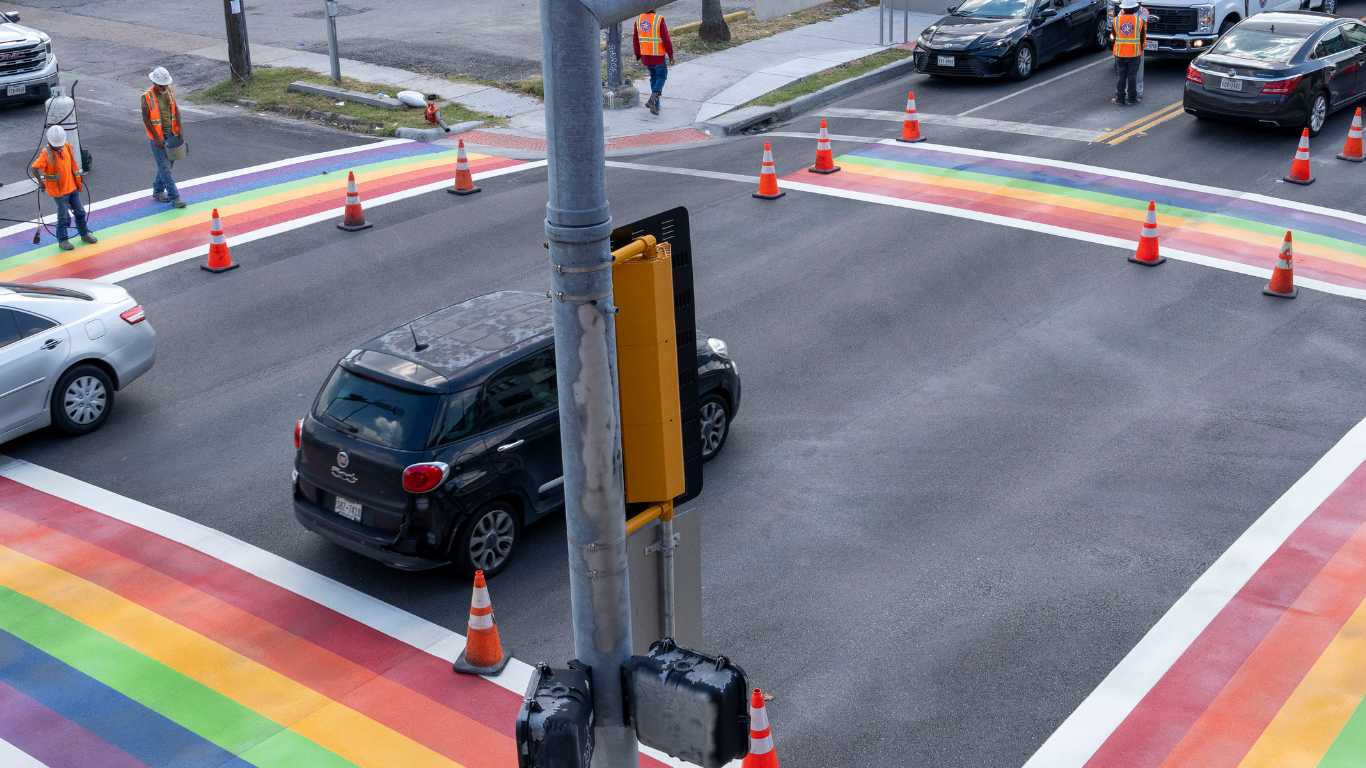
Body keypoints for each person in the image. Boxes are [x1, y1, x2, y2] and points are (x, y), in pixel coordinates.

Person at [30, 125, 97, 251]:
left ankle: (84, 234)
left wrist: (78, 178)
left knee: (80, 212)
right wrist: (40, 182)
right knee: (63, 217)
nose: (60, 147)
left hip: (72, 188)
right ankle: (63, 240)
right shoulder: (46, 154)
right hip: (59, 193)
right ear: (50, 142)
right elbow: (34, 168)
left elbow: (72, 164)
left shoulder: (66, 146)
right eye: (57, 145)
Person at [141, 66, 187, 208]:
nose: (164, 88)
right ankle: (175, 197)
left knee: (168, 165)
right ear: (155, 83)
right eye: (161, 86)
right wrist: (156, 138)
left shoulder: (169, 92)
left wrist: (179, 129)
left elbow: (176, 110)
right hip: (158, 138)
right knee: (165, 168)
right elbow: (146, 119)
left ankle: (158, 191)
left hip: (172, 134)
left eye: (165, 85)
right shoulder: (146, 97)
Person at [633, 9, 675, 115]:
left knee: (654, 78)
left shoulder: (638, 20)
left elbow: (635, 39)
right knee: (661, 77)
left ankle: (655, 106)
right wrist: (671, 55)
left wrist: (638, 54)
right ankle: (653, 99)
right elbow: (666, 39)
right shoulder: (658, 19)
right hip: (658, 57)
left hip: (646, 57)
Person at [1112, 0, 1145, 106]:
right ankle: (1132, 99)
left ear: (1123, 8)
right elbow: (1142, 38)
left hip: (1120, 53)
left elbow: (1114, 36)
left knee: (1121, 76)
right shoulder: (1139, 21)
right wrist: (1140, 49)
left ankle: (1120, 99)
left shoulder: (1116, 20)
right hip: (1134, 54)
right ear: (1134, 8)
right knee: (1132, 76)